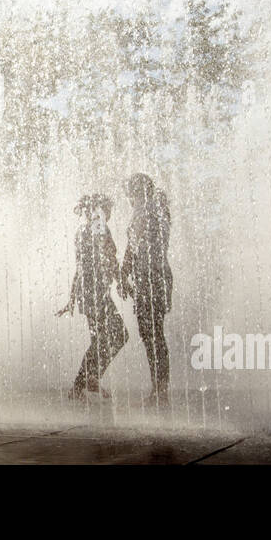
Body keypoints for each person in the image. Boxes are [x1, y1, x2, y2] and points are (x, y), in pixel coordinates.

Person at [57, 193, 128, 401]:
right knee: (119, 335)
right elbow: (110, 258)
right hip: (96, 292)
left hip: (87, 292)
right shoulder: (99, 227)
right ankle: (85, 381)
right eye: (108, 209)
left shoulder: (82, 231)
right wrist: (122, 282)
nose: (110, 213)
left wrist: (72, 298)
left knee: (101, 339)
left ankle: (83, 384)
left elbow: (80, 268)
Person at [120, 173, 173, 406]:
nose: (129, 199)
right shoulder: (158, 211)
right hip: (159, 277)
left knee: (151, 335)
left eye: (130, 193)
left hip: (149, 278)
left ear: (138, 191)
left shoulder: (145, 213)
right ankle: (160, 389)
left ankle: (159, 391)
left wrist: (123, 274)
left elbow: (133, 247)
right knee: (154, 334)